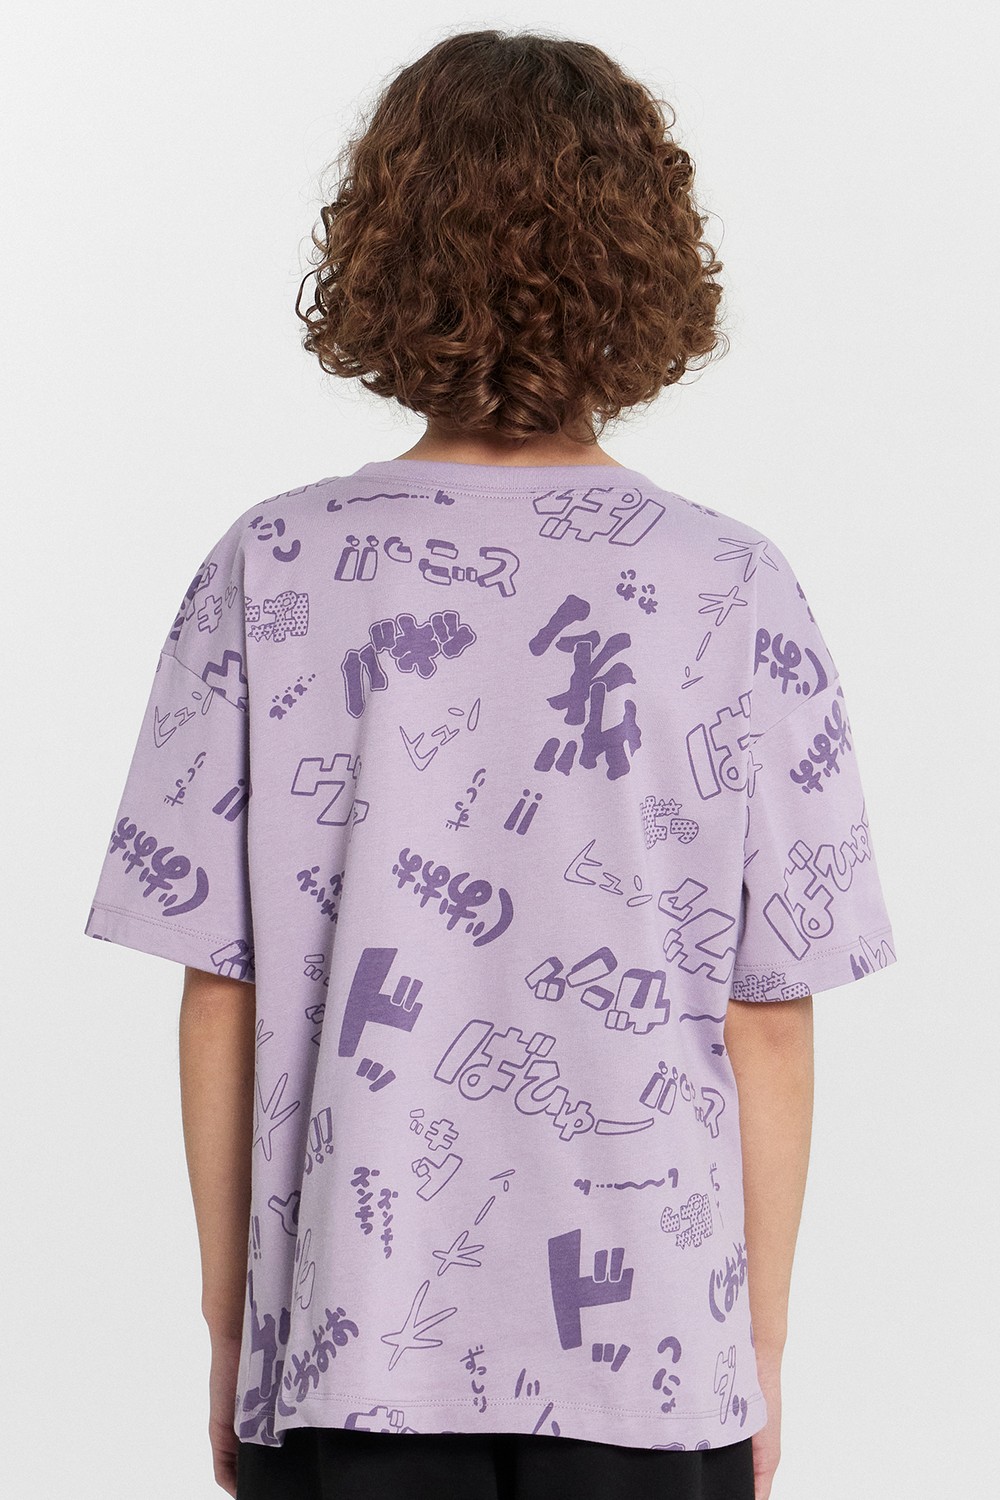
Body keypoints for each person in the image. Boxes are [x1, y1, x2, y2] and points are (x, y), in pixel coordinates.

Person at [83, 27, 897, 1500]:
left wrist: (231, 1334)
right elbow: (768, 1019)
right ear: (647, 263)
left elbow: (222, 992)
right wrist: (757, 1351)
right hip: (655, 1362)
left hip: (347, 1350)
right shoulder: (734, 589)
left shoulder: (273, 567)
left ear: (383, 252)